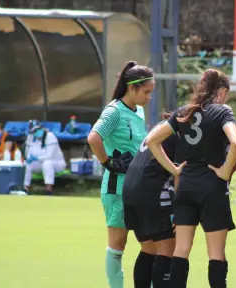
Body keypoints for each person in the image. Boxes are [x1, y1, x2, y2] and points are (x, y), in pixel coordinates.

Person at [145, 69, 236, 288]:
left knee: (181, 250)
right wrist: (226, 171)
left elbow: (152, 140)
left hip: (185, 187)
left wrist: (175, 170)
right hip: (212, 187)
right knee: (216, 253)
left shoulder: (184, 111)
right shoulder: (222, 112)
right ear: (222, 91)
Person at [87, 61, 154, 288]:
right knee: (118, 244)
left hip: (139, 186)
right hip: (117, 187)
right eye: (146, 92)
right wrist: (108, 162)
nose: (149, 97)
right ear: (132, 88)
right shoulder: (114, 111)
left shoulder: (139, 110)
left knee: (150, 242)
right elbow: (93, 137)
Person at [122, 111, 181, 288]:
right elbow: (180, 173)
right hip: (151, 192)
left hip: (131, 188)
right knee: (167, 249)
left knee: (148, 248)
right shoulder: (183, 134)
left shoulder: (161, 127)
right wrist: (179, 211)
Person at [24, 124, 66, 194]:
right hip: (39, 163)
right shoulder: (31, 138)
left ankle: (49, 189)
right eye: (33, 131)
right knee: (27, 164)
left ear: (42, 129)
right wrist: (29, 158)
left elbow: (49, 156)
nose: (35, 133)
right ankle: (26, 188)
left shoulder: (50, 136)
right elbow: (28, 154)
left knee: (47, 163)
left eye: (37, 130)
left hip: (57, 163)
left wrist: (36, 158)